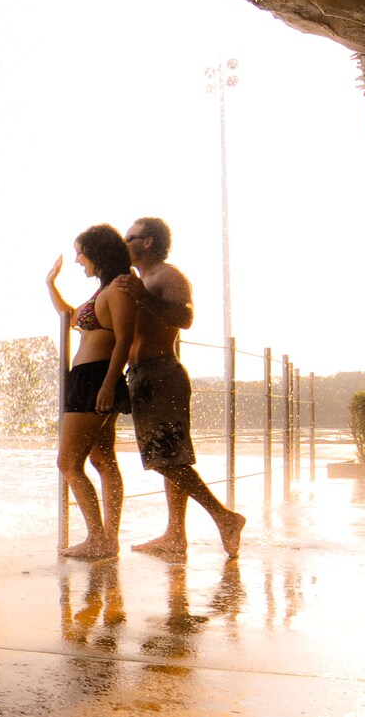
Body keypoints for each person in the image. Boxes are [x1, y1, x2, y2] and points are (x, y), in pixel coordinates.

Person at [110, 216, 246, 557]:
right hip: (142, 374)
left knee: (165, 459)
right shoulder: (139, 279)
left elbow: (185, 318)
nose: (124, 243)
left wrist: (143, 297)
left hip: (161, 374)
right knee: (171, 457)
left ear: (148, 242)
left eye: (130, 237)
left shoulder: (167, 276)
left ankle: (224, 517)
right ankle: (175, 535)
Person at [45, 225, 137, 559]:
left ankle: (99, 538)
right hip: (88, 377)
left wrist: (109, 385)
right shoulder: (103, 293)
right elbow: (69, 317)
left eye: (80, 252)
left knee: (68, 462)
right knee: (102, 458)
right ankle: (107, 539)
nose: (76, 259)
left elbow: (124, 341)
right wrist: (49, 284)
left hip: (95, 379)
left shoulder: (117, 289)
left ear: (96, 252)